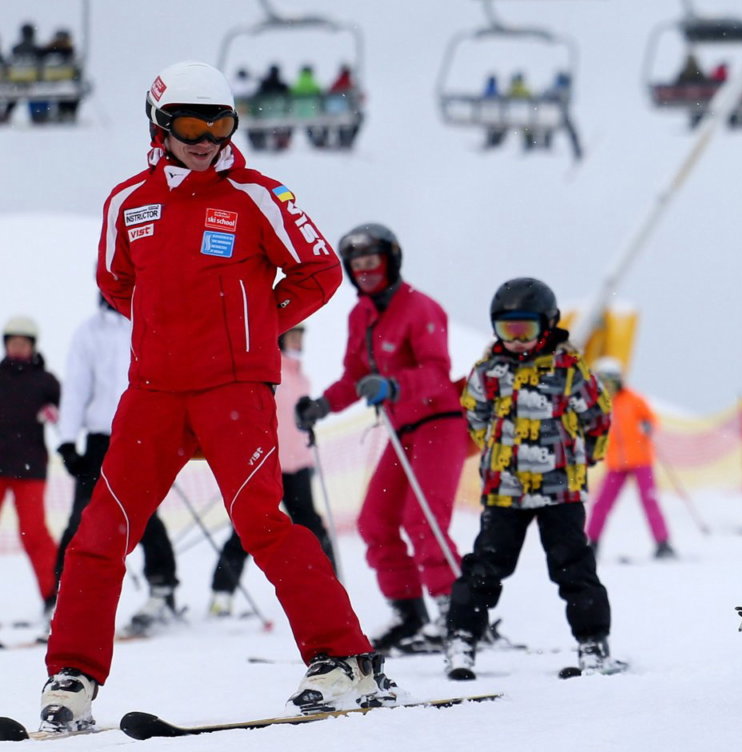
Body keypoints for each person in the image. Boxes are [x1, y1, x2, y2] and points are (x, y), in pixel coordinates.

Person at [42, 62, 393, 733]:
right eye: (191, 124)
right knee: (100, 530)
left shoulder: (257, 195)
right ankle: (73, 673)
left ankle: (342, 658)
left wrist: (256, 325)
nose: (206, 139)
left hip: (233, 390)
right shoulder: (128, 202)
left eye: (221, 124)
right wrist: (167, 333)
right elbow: (118, 284)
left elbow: (319, 270)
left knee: (264, 523)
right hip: (152, 394)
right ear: (160, 125)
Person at [295, 223, 470, 654]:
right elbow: (356, 376)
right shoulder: (362, 315)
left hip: (438, 423)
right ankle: (409, 614)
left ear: (391, 260)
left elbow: (435, 372)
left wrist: (394, 386)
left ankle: (459, 614)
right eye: (356, 265)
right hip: (402, 428)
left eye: (372, 261)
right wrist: (323, 405)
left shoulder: (420, 308)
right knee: (374, 522)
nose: (365, 271)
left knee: (423, 519)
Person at [441, 278, 618, 682]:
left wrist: (584, 457)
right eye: (508, 331)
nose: (518, 341)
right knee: (486, 566)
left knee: (573, 567)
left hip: (560, 490)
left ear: (549, 325)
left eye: (526, 330)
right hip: (505, 489)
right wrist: (497, 451)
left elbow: (598, 416)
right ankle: (462, 638)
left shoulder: (569, 369)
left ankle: (593, 643)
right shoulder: (489, 371)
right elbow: (474, 415)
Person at [53, 297, 179, 635]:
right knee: (83, 515)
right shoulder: (88, 332)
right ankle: (62, 593)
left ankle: (162, 587)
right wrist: (67, 440)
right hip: (99, 439)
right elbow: (76, 388)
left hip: (139, 434)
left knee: (144, 514)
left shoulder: (147, 320)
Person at [209, 324, 334, 616]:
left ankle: (328, 586)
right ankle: (222, 593)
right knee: (247, 528)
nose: (299, 342)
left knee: (311, 528)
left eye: (302, 336)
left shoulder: (302, 377)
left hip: (298, 466)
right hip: (267, 464)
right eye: (293, 336)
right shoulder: (269, 371)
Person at [0, 316, 61, 617]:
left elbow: (70, 408)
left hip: (30, 468)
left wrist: (56, 411)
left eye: (23, 343)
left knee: (34, 534)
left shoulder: (46, 381)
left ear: (32, 346)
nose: (18, 347)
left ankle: (54, 597)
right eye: (13, 342)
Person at [584, 356, 673, 559]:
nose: (608, 386)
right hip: (616, 463)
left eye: (610, 382)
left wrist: (647, 426)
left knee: (649, 501)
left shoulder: (633, 399)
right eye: (603, 382)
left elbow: (651, 419)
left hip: (641, 460)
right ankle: (592, 543)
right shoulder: (598, 403)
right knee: (601, 503)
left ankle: (663, 543)